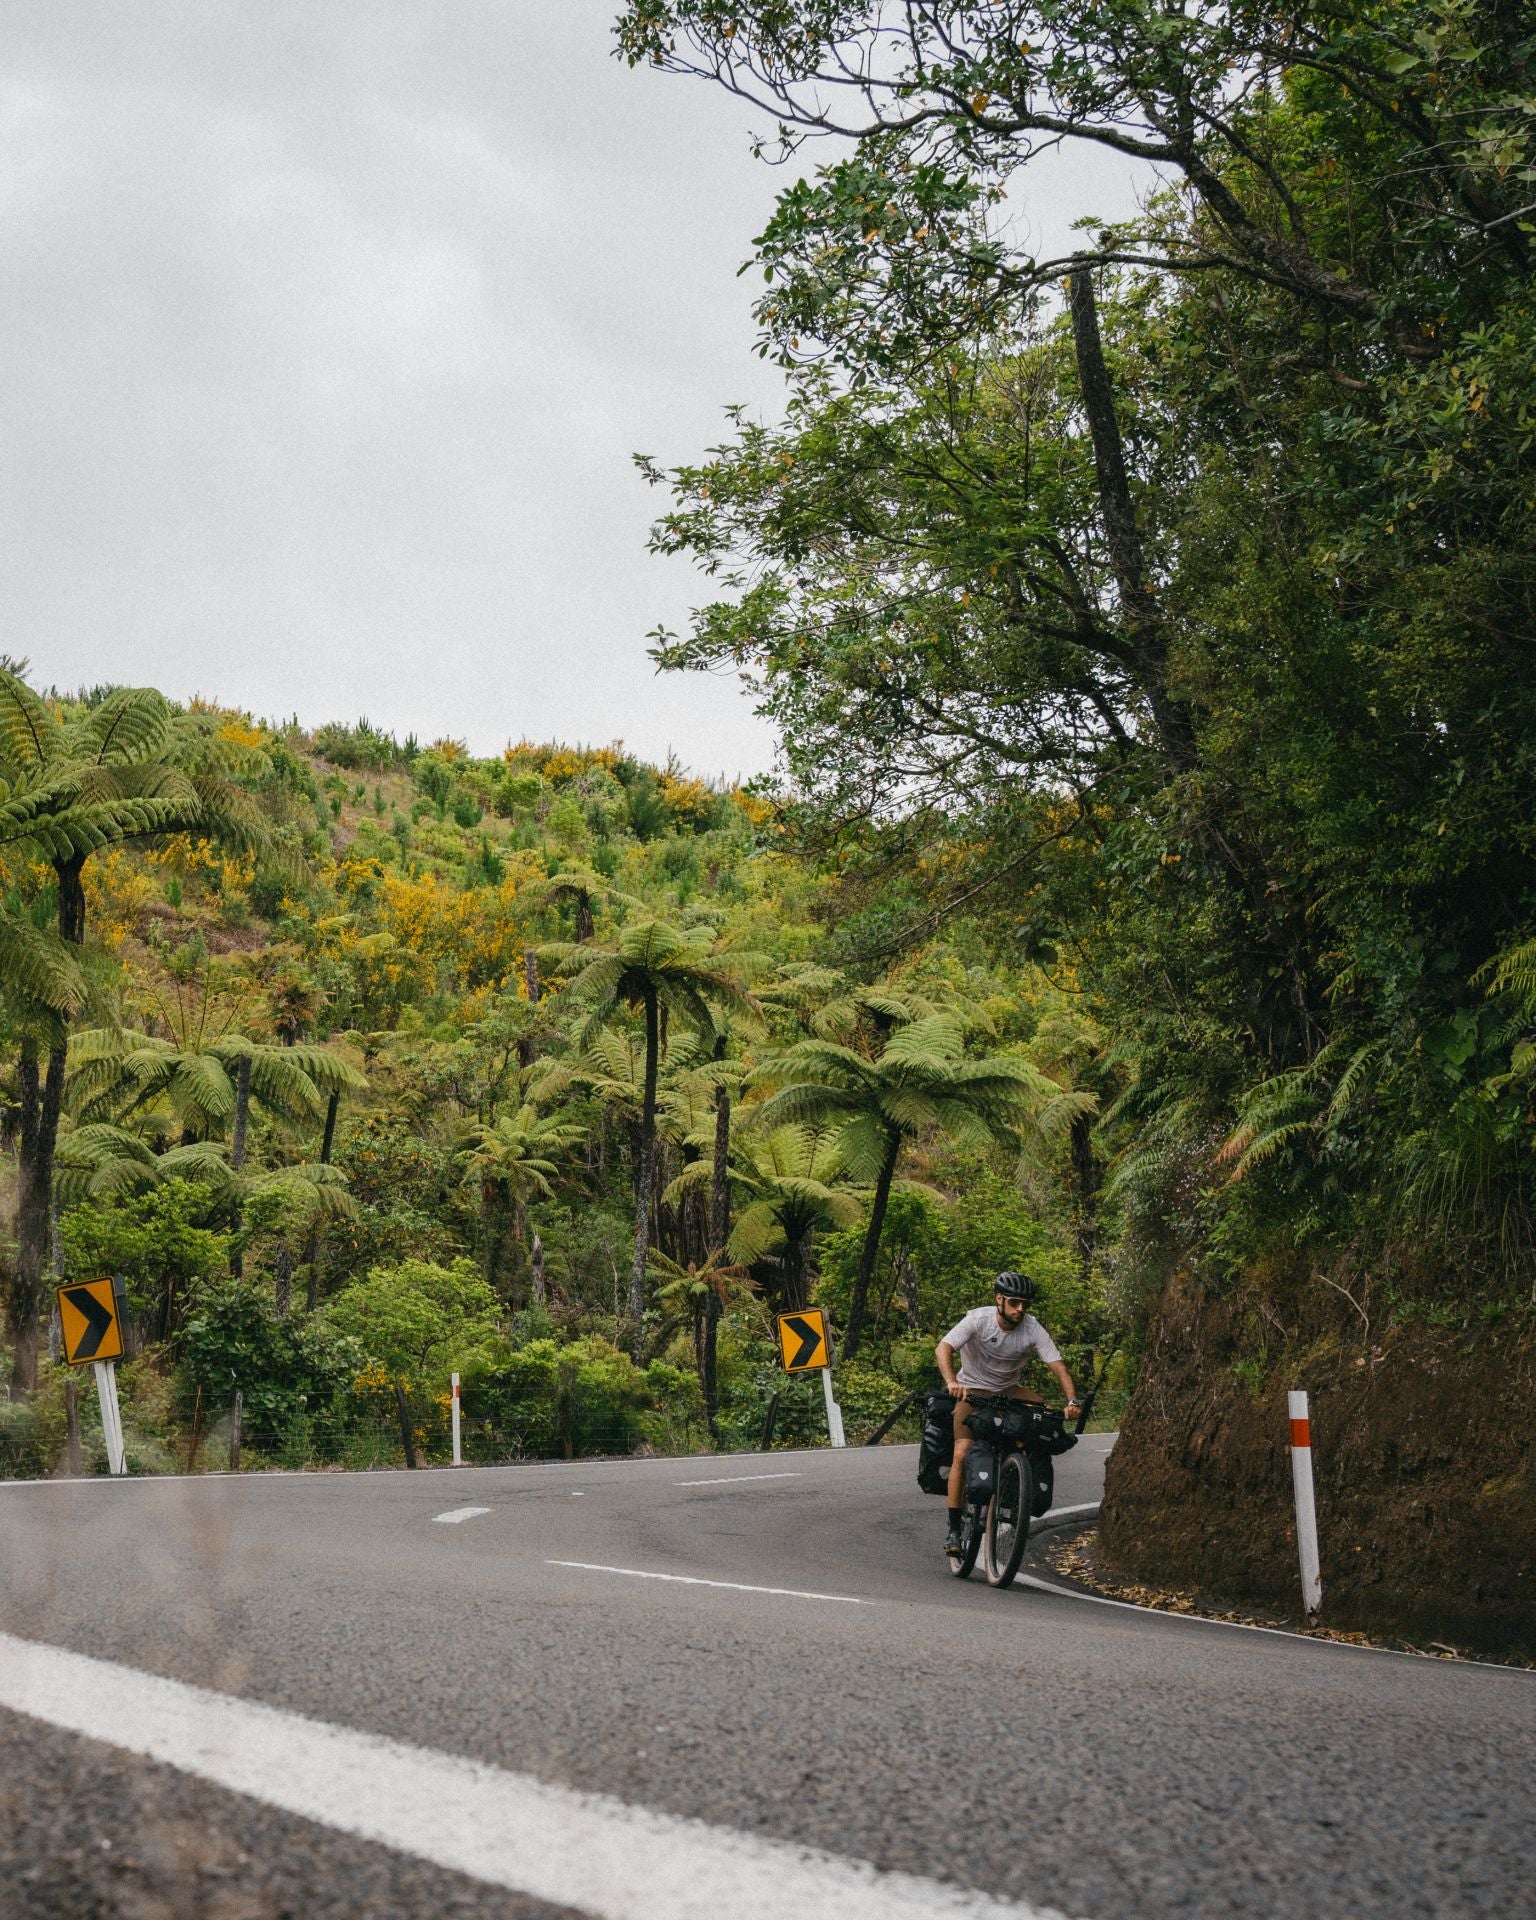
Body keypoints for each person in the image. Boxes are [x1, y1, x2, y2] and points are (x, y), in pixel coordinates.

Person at [936, 1270, 1079, 1555]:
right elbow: (944, 1348)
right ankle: (953, 1529)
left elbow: (1058, 1366)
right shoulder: (978, 1320)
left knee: (1044, 1418)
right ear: (999, 1299)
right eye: (1014, 1302)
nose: (1020, 1309)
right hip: (972, 1389)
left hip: (1009, 1390)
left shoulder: (1032, 1328)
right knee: (962, 1453)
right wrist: (952, 1382)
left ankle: (1016, 1483)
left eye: (1025, 1303)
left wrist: (1072, 1401)